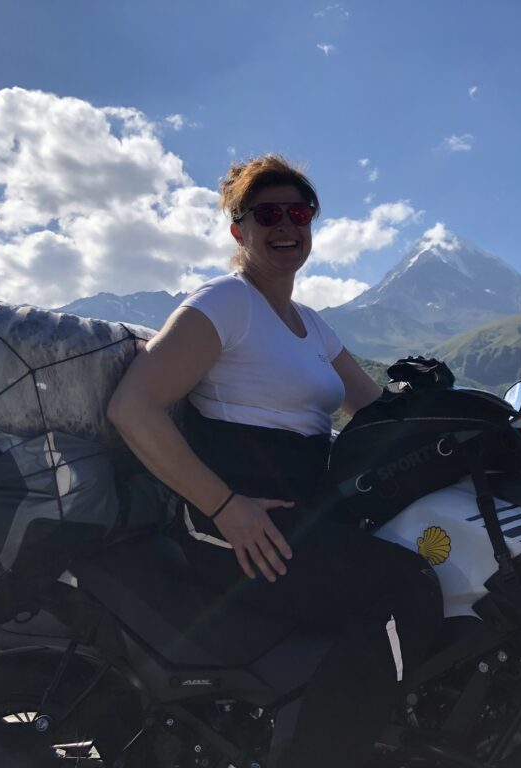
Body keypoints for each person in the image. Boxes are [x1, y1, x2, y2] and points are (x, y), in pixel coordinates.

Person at [107, 154, 443, 768]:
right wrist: (225, 508)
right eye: (267, 215)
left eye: (299, 212)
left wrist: (489, 423)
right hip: (240, 523)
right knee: (409, 586)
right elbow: (134, 407)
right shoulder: (225, 303)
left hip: (304, 510)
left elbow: (377, 412)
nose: (286, 225)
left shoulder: (310, 325)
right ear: (239, 229)